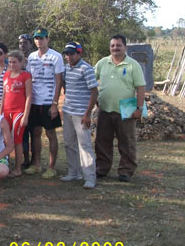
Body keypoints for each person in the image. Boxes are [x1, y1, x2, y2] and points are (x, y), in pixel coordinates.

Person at [94, 34, 145, 182]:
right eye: (113, 46)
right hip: (104, 109)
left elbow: (140, 88)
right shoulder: (103, 63)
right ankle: (102, 169)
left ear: (125, 47)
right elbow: (90, 80)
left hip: (126, 111)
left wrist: (139, 109)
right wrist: (95, 98)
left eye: (118, 45)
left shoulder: (133, 65)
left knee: (127, 142)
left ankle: (126, 171)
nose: (115, 48)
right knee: (102, 141)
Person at [24, 28, 65, 179]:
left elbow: (59, 80)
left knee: (51, 133)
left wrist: (55, 104)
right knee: (35, 132)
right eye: (36, 38)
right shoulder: (32, 57)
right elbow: (29, 77)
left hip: (48, 101)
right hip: (34, 101)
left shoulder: (56, 56)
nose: (39, 41)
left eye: (41, 38)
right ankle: (36, 164)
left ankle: (52, 167)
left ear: (48, 39)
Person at [61, 42, 98, 189]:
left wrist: (87, 114)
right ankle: (74, 172)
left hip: (81, 114)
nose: (68, 57)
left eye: (71, 53)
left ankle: (89, 177)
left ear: (79, 53)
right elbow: (65, 85)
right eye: (66, 54)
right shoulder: (66, 68)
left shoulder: (86, 69)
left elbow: (94, 92)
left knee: (84, 146)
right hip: (68, 111)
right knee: (69, 143)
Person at [0, 50, 32, 177]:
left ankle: (18, 168)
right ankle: (6, 165)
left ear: (21, 62)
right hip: (6, 111)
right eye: (10, 62)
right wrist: (1, 112)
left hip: (19, 112)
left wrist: (26, 115)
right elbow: (4, 94)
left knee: (17, 140)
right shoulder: (6, 75)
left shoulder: (25, 76)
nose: (12, 65)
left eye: (15, 62)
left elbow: (29, 96)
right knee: (5, 139)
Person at [18, 33, 35, 169]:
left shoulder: (35, 58)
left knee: (34, 132)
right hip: (19, 99)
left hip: (34, 99)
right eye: (20, 43)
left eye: (25, 42)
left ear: (31, 44)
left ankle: (35, 160)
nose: (22, 45)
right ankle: (25, 160)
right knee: (22, 133)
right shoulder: (17, 58)